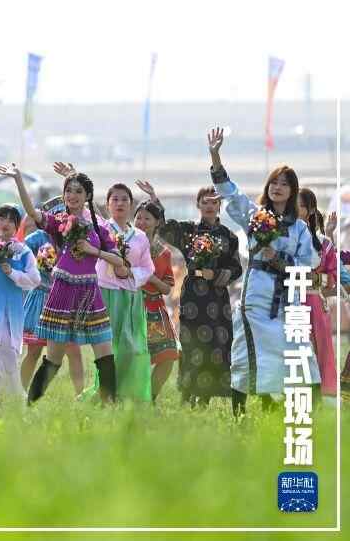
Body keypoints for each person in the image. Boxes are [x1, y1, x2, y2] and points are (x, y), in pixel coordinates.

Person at [207, 127, 320, 415]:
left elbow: (309, 264)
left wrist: (279, 260)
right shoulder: (255, 216)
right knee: (245, 353)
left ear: (292, 191)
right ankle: (239, 416)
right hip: (256, 296)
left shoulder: (299, 228)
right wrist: (215, 157)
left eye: (284, 183)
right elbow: (231, 193)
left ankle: (306, 414)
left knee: (297, 352)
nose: (277, 187)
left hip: (288, 301)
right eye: (274, 182)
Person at [1, 162, 123, 404]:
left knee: (105, 354)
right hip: (62, 293)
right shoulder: (59, 222)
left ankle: (111, 407)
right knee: (53, 358)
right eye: (68, 190)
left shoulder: (99, 228)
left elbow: (119, 261)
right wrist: (18, 180)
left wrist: (93, 251)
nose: (72, 195)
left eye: (78, 191)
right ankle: (29, 405)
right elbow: (33, 213)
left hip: (90, 293)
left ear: (88, 196)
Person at [138, 180, 242, 407]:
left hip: (217, 298)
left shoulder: (229, 236)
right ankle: (187, 396)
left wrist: (216, 274)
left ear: (220, 205)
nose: (210, 206)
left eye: (214, 202)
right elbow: (164, 227)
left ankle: (205, 397)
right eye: (205, 202)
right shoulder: (189, 231)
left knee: (217, 344)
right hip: (193, 296)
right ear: (198, 205)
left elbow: (236, 269)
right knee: (191, 343)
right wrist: (154, 198)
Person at [88, 182, 155, 403]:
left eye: (124, 199)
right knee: (109, 349)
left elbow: (148, 268)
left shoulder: (140, 237)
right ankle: (106, 393)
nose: (120, 203)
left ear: (131, 204)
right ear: (108, 204)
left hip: (131, 296)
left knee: (133, 348)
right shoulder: (100, 230)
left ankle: (127, 393)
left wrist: (129, 272)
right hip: (106, 293)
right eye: (114, 199)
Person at [0, 204, 40, 400]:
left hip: (14, 312)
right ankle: (19, 404)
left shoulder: (23, 251)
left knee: (5, 363)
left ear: (17, 226)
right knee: (8, 362)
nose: (5, 223)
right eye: (2, 218)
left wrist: (12, 272)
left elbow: (34, 280)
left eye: (11, 220)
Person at [20, 212, 85, 395]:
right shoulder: (38, 237)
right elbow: (19, 251)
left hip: (66, 299)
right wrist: (34, 264)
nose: (59, 222)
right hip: (41, 297)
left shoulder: (74, 239)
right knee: (34, 350)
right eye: (55, 217)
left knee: (73, 350)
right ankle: (19, 394)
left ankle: (79, 396)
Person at [132, 199, 179, 402]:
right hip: (131, 305)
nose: (142, 222)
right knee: (133, 356)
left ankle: (148, 398)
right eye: (138, 218)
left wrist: (150, 278)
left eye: (147, 218)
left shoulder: (163, 252)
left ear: (157, 222)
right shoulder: (126, 244)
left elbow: (167, 288)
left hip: (154, 308)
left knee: (168, 355)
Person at [298, 190, 337, 399]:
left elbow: (332, 278)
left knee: (317, 350)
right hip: (285, 302)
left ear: (310, 210)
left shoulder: (324, 244)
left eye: (298, 206)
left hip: (313, 303)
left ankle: (321, 395)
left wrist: (311, 279)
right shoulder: (278, 238)